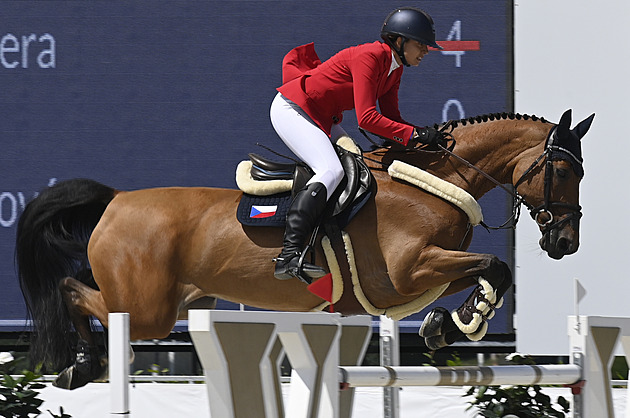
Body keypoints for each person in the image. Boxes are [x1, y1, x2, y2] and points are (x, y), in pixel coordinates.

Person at [270, 6, 445, 283]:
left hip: (321, 116)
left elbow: (391, 119)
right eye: (421, 45)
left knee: (358, 167)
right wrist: (414, 135)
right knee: (331, 171)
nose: (425, 51)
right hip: (293, 109)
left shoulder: (395, 68)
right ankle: (289, 256)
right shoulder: (371, 56)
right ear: (399, 41)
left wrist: (422, 137)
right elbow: (366, 119)